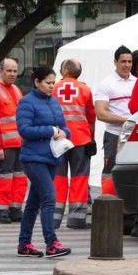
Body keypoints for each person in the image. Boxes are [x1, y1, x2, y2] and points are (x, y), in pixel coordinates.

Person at [16, 66, 71, 258]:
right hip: (33, 158)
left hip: (52, 157)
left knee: (33, 203)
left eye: (53, 83)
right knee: (49, 197)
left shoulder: (54, 103)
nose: (51, 86)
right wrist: (50, 130)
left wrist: (64, 132)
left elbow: (64, 126)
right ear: (36, 82)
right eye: (48, 83)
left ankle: (24, 244)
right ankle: (51, 242)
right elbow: (24, 130)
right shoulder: (26, 102)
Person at [53, 59, 95, 229]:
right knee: (79, 178)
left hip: (58, 140)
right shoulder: (85, 89)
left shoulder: (53, 87)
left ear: (64, 71)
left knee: (58, 177)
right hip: (81, 139)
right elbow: (91, 117)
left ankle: (53, 218)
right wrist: (91, 137)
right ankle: (76, 219)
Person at [0, 58, 27, 224]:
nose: (13, 74)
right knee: (4, 178)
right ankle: (1, 211)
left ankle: (15, 209)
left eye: (15, 71)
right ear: (0, 72)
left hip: (19, 143)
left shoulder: (16, 89)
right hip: (4, 145)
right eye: (9, 71)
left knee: (19, 178)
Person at [94, 45, 136, 195]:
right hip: (114, 134)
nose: (127, 65)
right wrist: (126, 121)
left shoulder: (137, 82)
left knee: (132, 169)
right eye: (123, 61)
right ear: (115, 62)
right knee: (110, 170)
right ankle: (107, 203)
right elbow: (100, 114)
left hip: (134, 134)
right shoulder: (106, 84)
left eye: (129, 61)